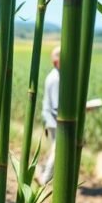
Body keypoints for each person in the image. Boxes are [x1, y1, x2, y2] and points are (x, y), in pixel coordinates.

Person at [37, 46, 61, 184]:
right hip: (55, 121)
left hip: (53, 120)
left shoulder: (56, 76)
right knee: (57, 150)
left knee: (54, 149)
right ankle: (45, 178)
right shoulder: (55, 78)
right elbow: (57, 106)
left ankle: (45, 173)